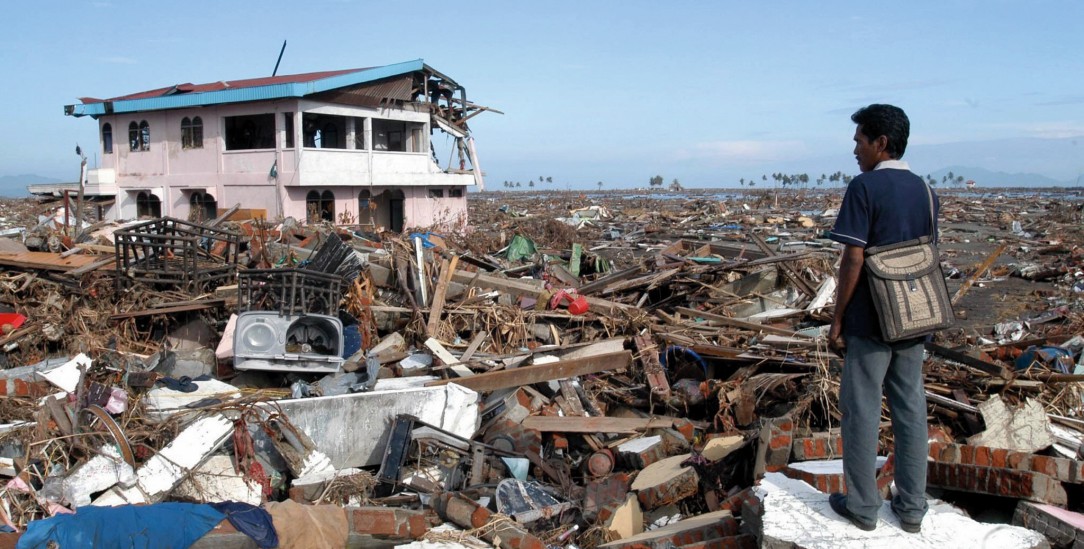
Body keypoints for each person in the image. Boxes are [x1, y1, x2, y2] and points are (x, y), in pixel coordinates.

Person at [826, 104, 937, 533]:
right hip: (914, 316)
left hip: (871, 320)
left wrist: (838, 319)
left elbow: (853, 258)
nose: (855, 149)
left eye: (860, 140)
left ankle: (862, 507)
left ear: (881, 143)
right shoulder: (926, 191)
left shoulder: (864, 187)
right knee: (911, 410)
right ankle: (911, 510)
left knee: (862, 410)